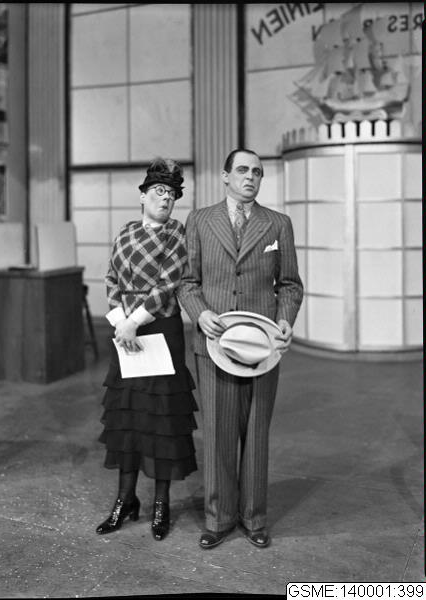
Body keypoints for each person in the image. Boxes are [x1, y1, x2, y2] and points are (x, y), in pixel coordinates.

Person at [177, 148, 303, 549]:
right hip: (214, 343)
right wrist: (199, 314)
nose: (251, 177)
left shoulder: (278, 224)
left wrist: (286, 318)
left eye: (258, 172)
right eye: (244, 170)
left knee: (256, 432)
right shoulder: (199, 220)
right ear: (225, 176)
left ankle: (254, 518)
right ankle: (219, 519)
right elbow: (187, 281)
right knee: (217, 433)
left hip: (262, 346)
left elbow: (290, 284)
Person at [96, 157, 198, 541]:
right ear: (142, 195)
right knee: (127, 415)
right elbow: (111, 278)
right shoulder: (125, 232)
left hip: (159, 330)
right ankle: (125, 499)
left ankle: (160, 503)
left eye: (172, 194)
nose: (166, 198)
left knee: (160, 417)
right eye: (159, 191)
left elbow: (167, 285)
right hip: (125, 332)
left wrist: (133, 321)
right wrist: (119, 322)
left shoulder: (177, 234)